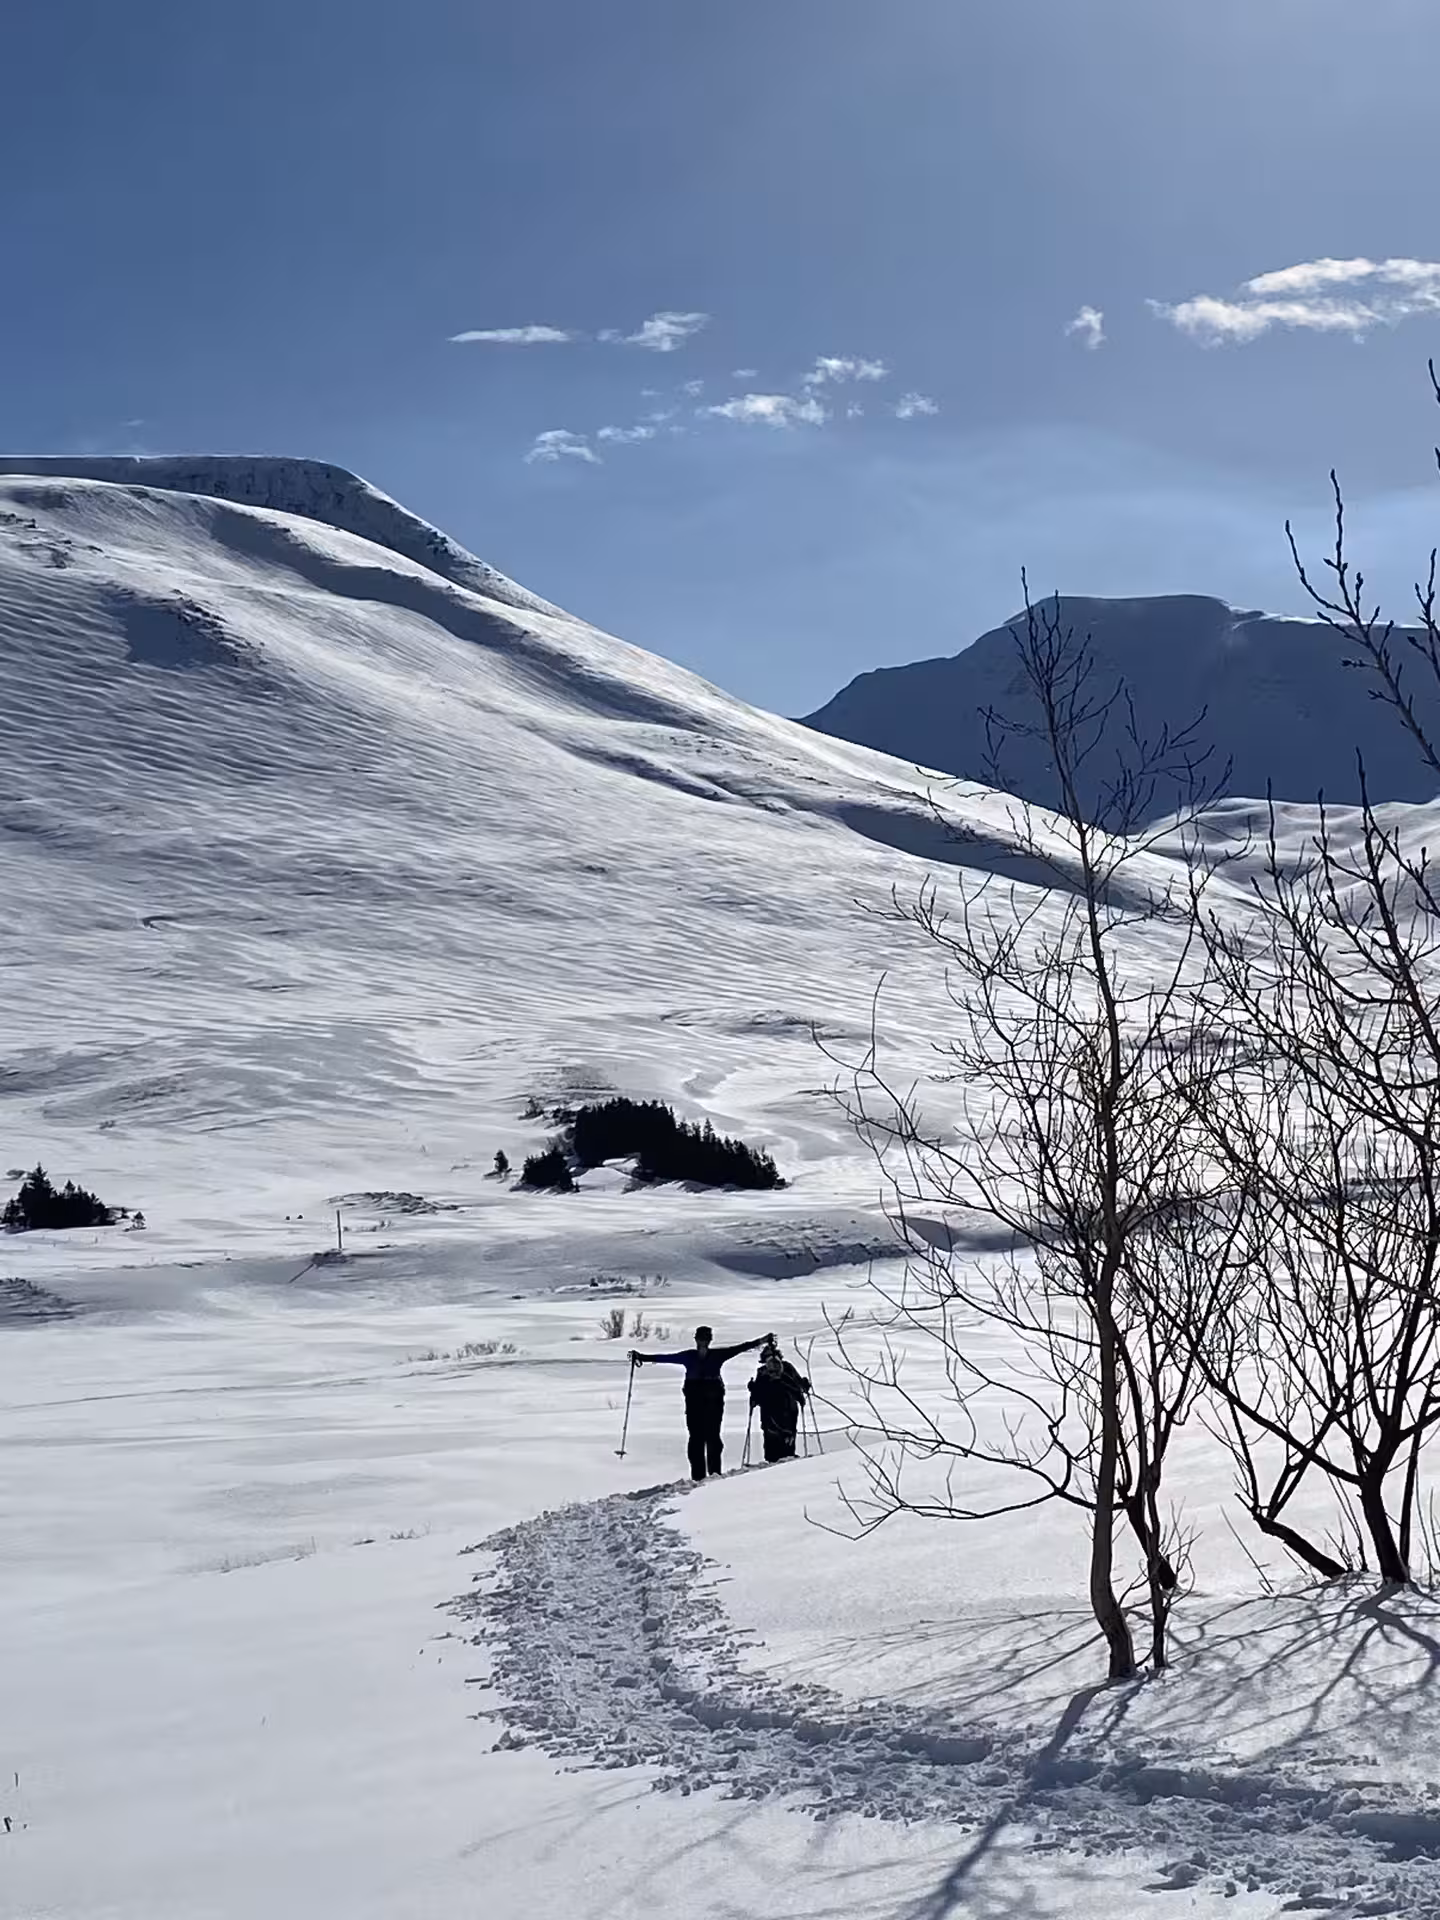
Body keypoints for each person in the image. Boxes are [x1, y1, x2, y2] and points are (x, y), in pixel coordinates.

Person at [630, 1324, 771, 1480]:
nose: (703, 1342)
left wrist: (762, 1341)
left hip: (710, 1401)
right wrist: (642, 1357)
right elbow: (666, 1358)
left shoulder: (705, 1356)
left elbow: (740, 1348)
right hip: (698, 1401)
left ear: (707, 1340)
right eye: (701, 1338)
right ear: (698, 1339)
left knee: (710, 1438)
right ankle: (701, 1476)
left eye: (705, 1339)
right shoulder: (696, 1356)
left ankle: (713, 1474)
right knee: (699, 1438)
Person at [748, 1342, 811, 1463]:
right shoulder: (778, 1369)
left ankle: (779, 1460)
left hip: (779, 1409)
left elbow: (758, 1391)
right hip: (778, 1409)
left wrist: (754, 1392)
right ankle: (783, 1459)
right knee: (780, 1437)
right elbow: (799, 1385)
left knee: (776, 1438)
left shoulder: (770, 1370)